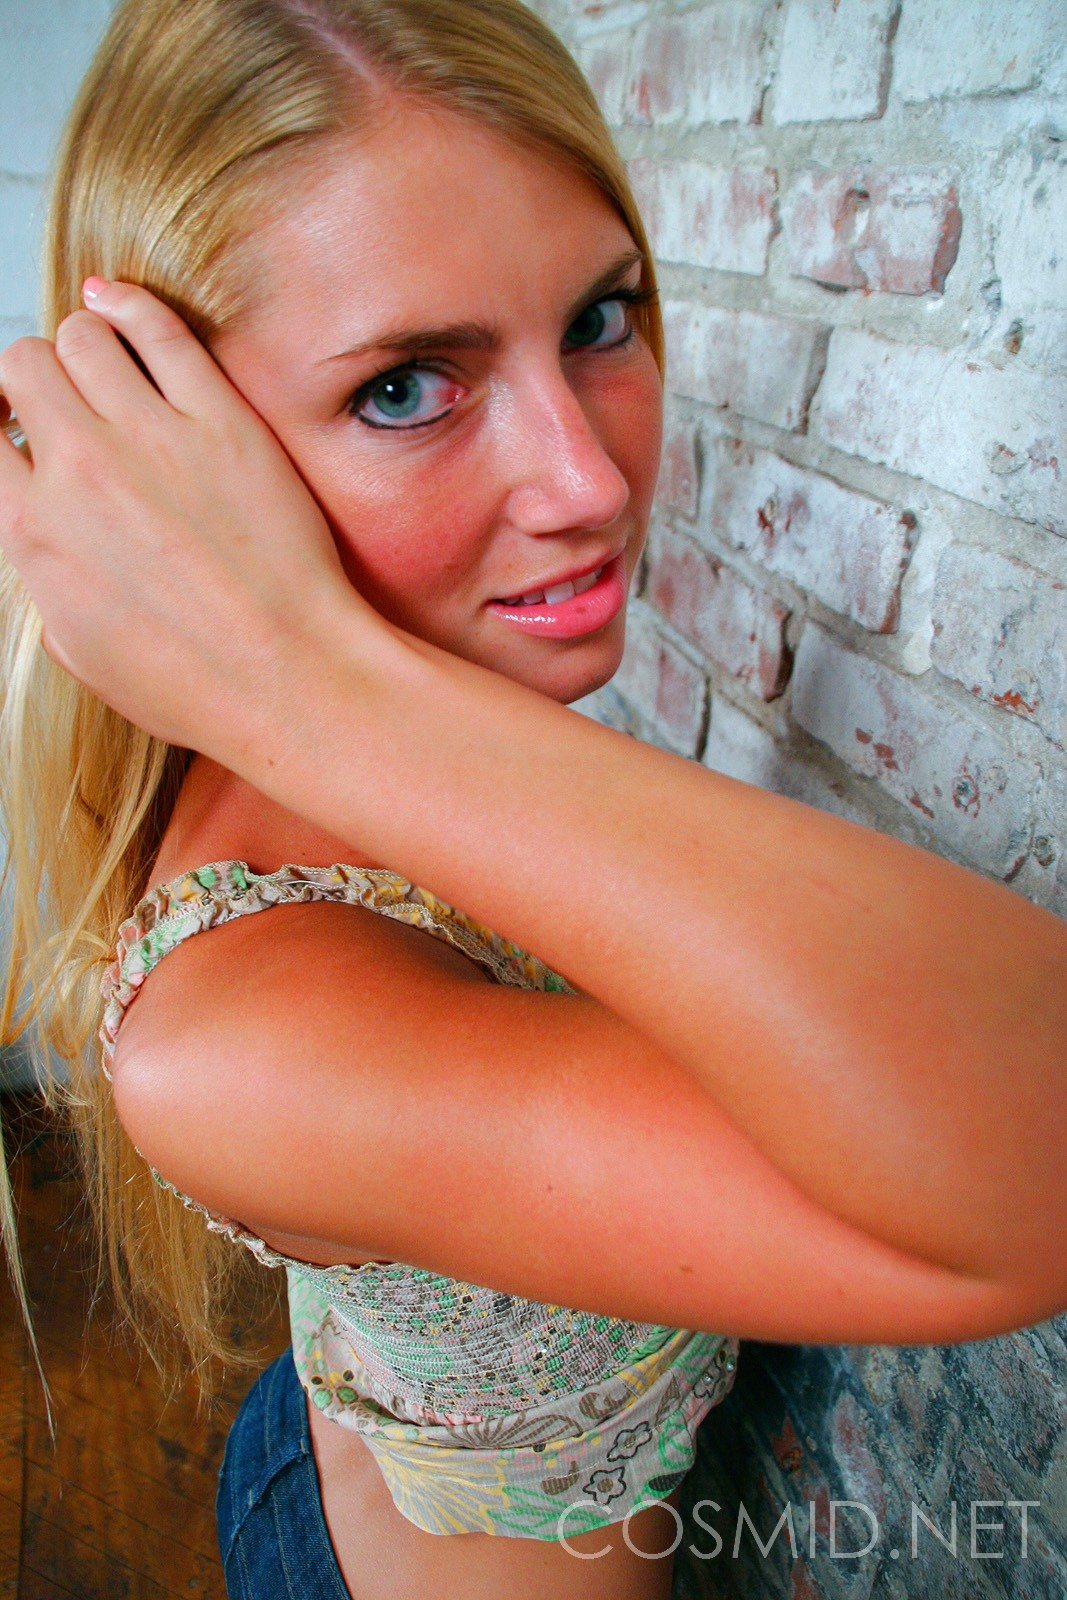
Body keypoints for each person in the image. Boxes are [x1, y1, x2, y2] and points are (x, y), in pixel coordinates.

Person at [0, 1, 1063, 1596]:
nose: (591, 481)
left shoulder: (441, 699)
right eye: (405, 388)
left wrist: (322, 686)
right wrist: (301, 683)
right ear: (168, 463)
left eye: (599, 318)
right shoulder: (236, 1040)